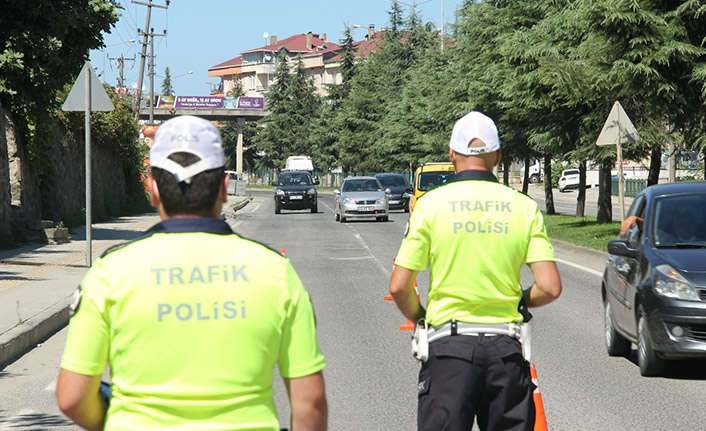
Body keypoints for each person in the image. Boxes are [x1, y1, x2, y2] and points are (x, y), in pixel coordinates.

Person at [56, 115, 328, 431]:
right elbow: (311, 405)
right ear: (225, 188)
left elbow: (72, 398)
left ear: (152, 188)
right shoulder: (275, 273)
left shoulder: (110, 273)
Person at [389, 111, 562, 431]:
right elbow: (550, 287)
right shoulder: (523, 207)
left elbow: (400, 286)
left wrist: (421, 317)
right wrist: (521, 300)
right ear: (497, 156)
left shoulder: (430, 205)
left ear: (452, 155)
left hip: (448, 351)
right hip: (505, 352)